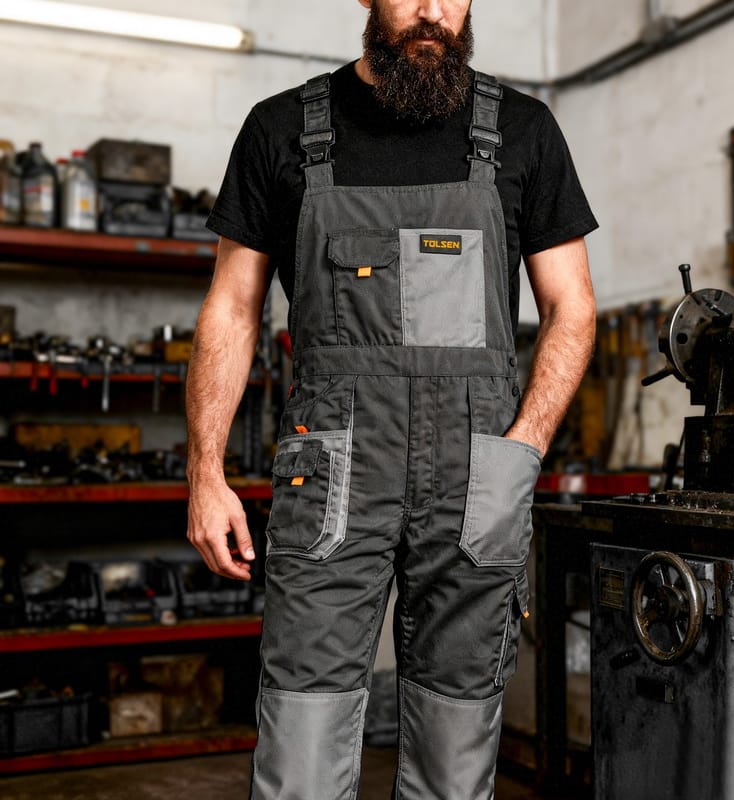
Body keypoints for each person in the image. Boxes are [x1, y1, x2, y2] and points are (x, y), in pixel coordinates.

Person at [186, 1, 597, 797]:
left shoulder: (523, 131)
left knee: (455, 751)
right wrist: (205, 470)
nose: (433, 12)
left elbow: (572, 308)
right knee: (300, 750)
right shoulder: (282, 130)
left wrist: (525, 447)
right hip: (333, 475)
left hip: (478, 477)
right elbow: (231, 308)